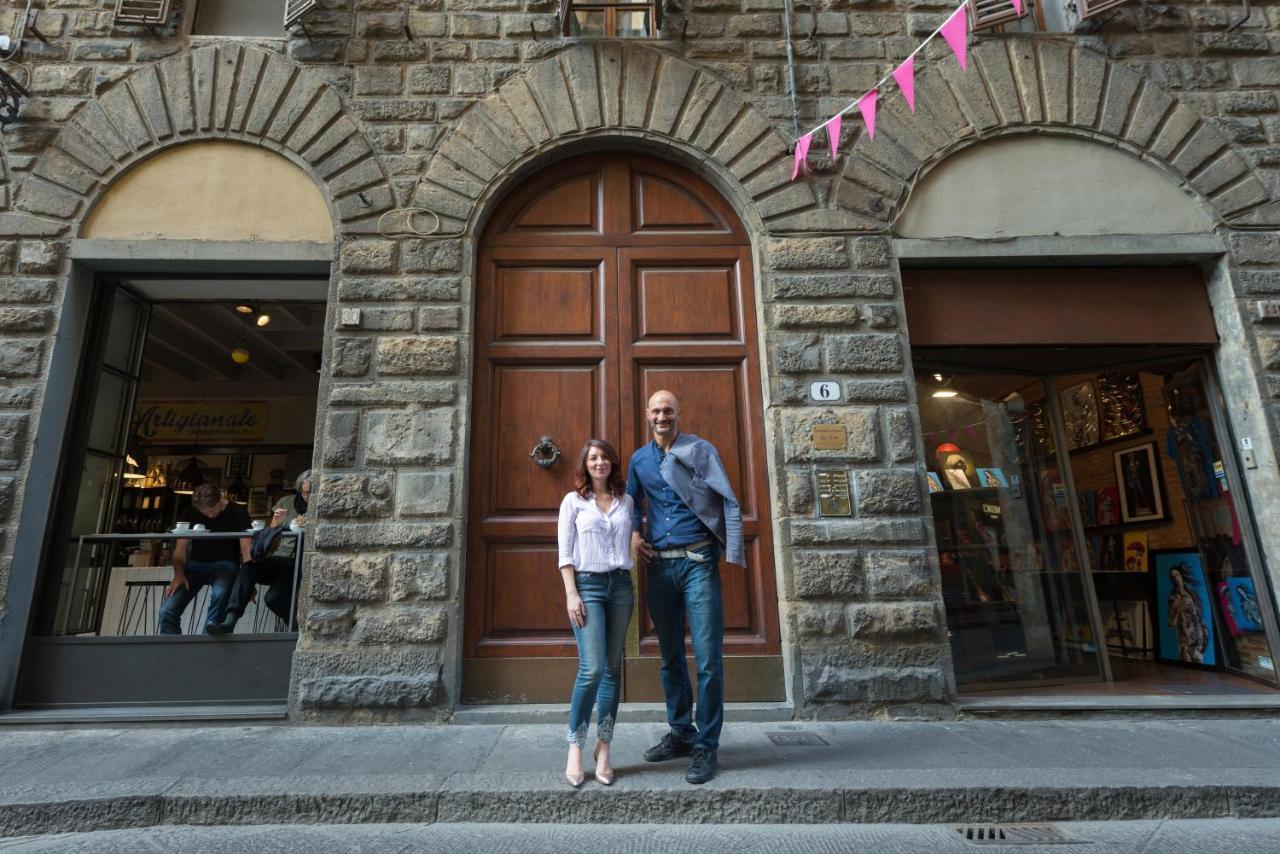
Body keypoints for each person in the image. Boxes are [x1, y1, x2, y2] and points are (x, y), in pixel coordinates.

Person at [627, 389, 744, 785]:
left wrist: (732, 550)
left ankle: (706, 745)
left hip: (697, 563)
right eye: (656, 410)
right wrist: (633, 535)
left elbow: (728, 497)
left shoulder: (700, 450)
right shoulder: (639, 460)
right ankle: (680, 732)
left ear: (679, 413)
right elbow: (631, 503)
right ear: (648, 415)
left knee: (709, 658)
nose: (663, 416)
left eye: (669, 410)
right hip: (659, 568)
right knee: (670, 656)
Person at [558, 440, 633, 788]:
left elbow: (630, 538)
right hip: (586, 587)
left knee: (613, 669)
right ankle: (575, 747)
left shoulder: (626, 501)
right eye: (593, 458)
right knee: (592, 668)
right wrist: (572, 593)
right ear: (584, 464)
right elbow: (565, 553)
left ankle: (603, 747)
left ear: (611, 463)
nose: (599, 462)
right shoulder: (573, 502)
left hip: (620, 587)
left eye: (604, 457)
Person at [211, 471, 311, 635]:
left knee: (273, 599)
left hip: (300, 562)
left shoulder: (322, 507)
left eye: (312, 492)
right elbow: (269, 537)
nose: (308, 496)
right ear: (300, 489)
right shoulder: (285, 502)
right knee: (249, 566)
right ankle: (230, 620)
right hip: (278, 557)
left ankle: (297, 629)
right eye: (306, 492)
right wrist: (275, 523)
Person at [158, 484, 251, 635]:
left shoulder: (238, 512)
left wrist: (248, 581)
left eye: (211, 510)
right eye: (203, 512)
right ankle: (172, 651)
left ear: (220, 499)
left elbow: (246, 550)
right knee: (167, 611)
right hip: (196, 564)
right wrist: (179, 574)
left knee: (220, 596)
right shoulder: (190, 513)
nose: (208, 515)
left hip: (225, 564)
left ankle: (207, 645)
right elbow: (180, 549)